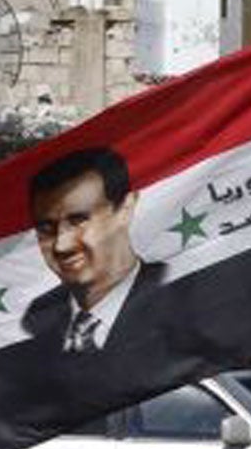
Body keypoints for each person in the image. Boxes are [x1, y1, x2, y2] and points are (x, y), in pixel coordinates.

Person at [21, 147, 166, 354]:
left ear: (125, 209)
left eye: (78, 221)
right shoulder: (34, 319)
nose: (62, 246)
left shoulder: (178, 296)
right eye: (46, 229)